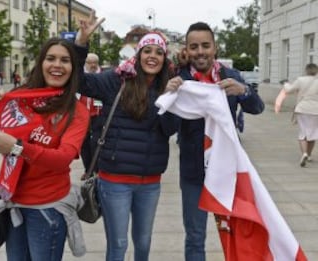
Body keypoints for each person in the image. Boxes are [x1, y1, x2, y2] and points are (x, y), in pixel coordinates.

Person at [0, 37, 90, 260]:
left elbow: (63, 158)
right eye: (50, 58)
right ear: (41, 62)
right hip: (12, 200)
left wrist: (16, 147)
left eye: (65, 60)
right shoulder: (22, 96)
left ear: (72, 68)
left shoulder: (77, 110)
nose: (57, 65)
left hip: (47, 208)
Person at [75, 14, 178, 261]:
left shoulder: (169, 87)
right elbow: (79, 82)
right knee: (118, 245)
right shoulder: (116, 80)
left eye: (159, 52)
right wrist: (81, 43)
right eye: (147, 50)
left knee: (143, 243)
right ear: (139, 54)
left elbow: (169, 129)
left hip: (149, 181)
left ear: (164, 59)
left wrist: (170, 100)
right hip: (114, 181)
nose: (153, 56)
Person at [166, 22, 265, 260]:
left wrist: (243, 91)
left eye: (205, 45)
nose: (200, 51)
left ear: (215, 48)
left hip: (228, 171)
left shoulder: (231, 76)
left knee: (236, 233)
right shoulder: (179, 80)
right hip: (193, 173)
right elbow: (166, 127)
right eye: (194, 46)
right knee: (195, 236)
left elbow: (258, 107)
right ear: (187, 50)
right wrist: (169, 95)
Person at [276, 63, 318, 167]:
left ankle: (304, 153)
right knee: (312, 133)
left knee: (303, 132)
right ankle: (308, 155)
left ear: (306, 70)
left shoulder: (300, 80)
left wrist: (285, 83)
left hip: (302, 109)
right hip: (315, 110)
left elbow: (289, 90)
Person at [79, 53, 103, 180]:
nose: (93, 65)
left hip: (98, 114)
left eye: (95, 62)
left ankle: (97, 169)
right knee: (83, 143)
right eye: (90, 62)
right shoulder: (81, 77)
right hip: (82, 114)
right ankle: (88, 169)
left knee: (96, 142)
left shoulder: (102, 76)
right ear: (85, 63)